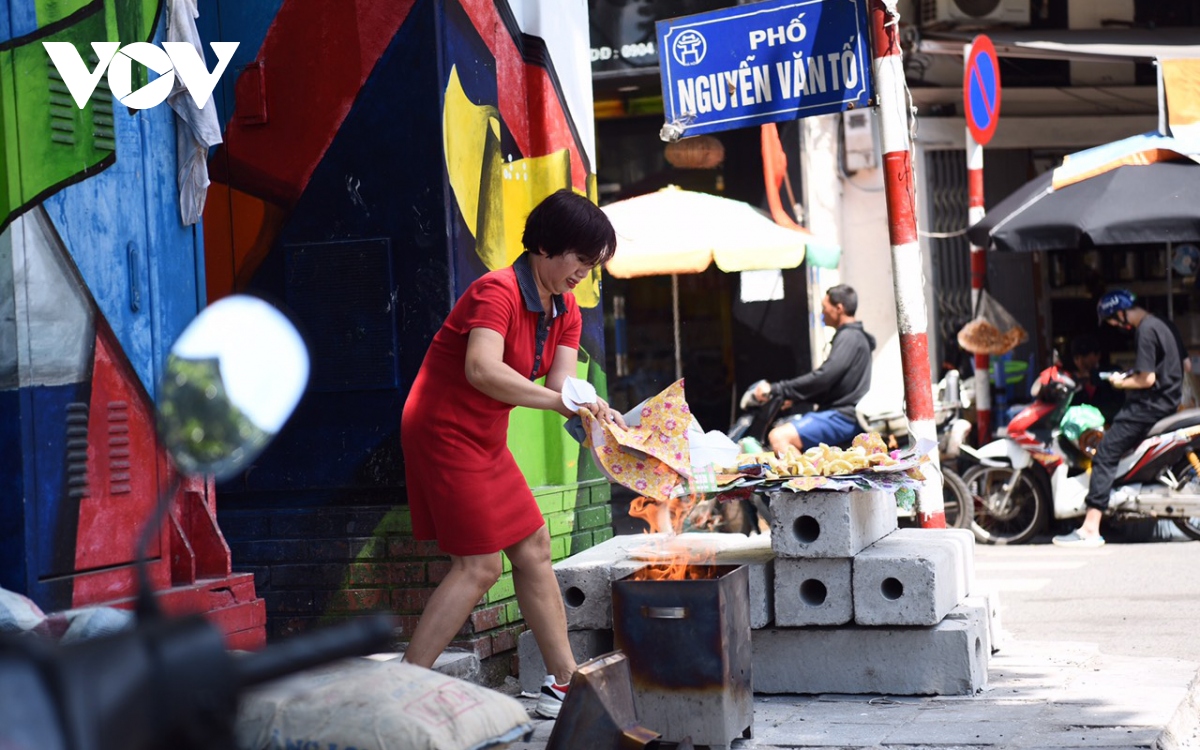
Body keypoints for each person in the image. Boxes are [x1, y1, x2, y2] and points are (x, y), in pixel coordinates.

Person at [399, 190, 624, 718]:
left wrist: (594, 406)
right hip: (443, 430)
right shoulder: (494, 291)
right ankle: (403, 692)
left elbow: (563, 382)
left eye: (593, 266)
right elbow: (482, 369)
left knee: (535, 547)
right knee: (478, 566)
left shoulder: (564, 307)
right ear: (547, 246)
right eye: (581, 260)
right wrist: (559, 403)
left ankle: (564, 684)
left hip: (484, 435)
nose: (584, 275)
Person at [1053, 289, 1182, 548]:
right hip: (1168, 402)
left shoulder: (1145, 330)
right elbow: (1176, 366)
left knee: (1105, 452)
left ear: (1119, 312)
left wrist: (1121, 382)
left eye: (1112, 320)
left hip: (1149, 405)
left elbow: (1147, 379)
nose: (1114, 325)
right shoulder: (1162, 323)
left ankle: (1090, 528)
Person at [752, 284, 876, 454]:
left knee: (779, 437)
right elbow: (835, 385)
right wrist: (795, 398)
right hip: (839, 414)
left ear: (839, 308)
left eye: (825, 307)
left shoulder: (850, 337)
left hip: (842, 417)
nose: (822, 312)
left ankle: (803, 481)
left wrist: (776, 388)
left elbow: (825, 377)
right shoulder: (852, 336)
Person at [1066, 334, 1123, 423]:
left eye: (1085, 356)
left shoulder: (1112, 372)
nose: (1080, 362)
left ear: (1097, 355)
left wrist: (1093, 376)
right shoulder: (1071, 380)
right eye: (1076, 358)